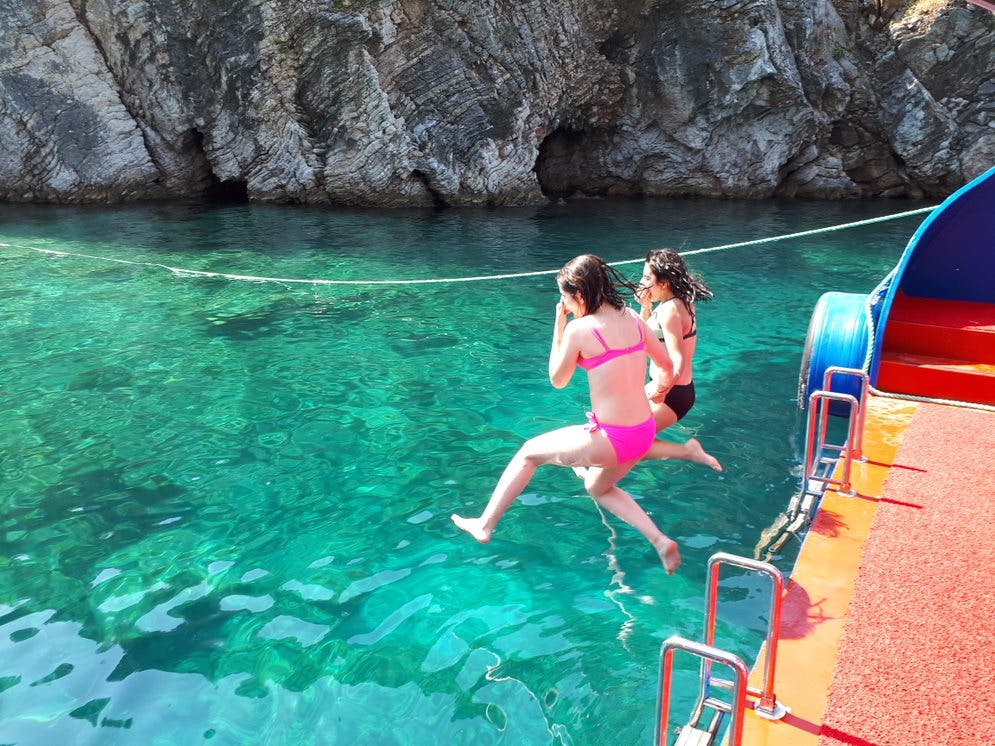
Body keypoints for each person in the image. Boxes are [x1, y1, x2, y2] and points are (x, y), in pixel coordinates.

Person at [451, 254, 682, 573]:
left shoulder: (580, 329)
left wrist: (559, 327)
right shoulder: (631, 316)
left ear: (581, 295)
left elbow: (557, 381)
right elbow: (667, 365)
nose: (565, 305)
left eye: (566, 298)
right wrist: (656, 392)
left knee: (528, 453)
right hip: (644, 432)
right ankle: (660, 541)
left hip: (614, 440)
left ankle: (484, 525)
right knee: (597, 488)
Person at [636, 248, 721, 471]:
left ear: (664, 283)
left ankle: (689, 452)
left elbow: (678, 361)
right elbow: (646, 337)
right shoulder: (677, 302)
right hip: (669, 387)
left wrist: (662, 390)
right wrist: (645, 307)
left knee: (629, 440)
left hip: (672, 392)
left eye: (647, 278)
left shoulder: (670, 311)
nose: (642, 283)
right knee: (623, 431)